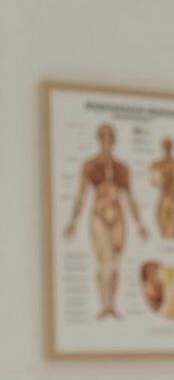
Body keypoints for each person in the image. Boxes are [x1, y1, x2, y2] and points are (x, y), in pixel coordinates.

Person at [63, 122, 149, 319]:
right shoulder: (90, 166)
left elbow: (131, 198)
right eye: (103, 137)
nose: (106, 141)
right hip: (98, 215)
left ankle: (112, 305)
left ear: (114, 140)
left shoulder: (122, 168)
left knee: (116, 263)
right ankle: (103, 305)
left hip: (118, 215)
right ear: (99, 139)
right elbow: (80, 195)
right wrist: (72, 222)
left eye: (110, 137)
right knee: (104, 262)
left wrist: (140, 225)